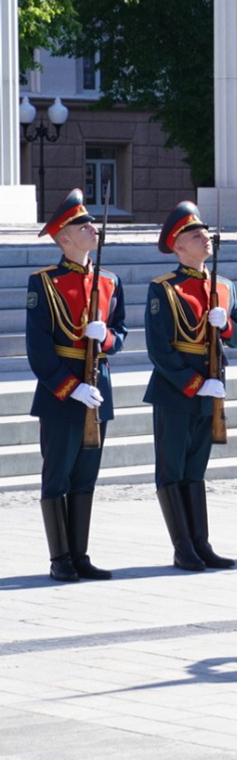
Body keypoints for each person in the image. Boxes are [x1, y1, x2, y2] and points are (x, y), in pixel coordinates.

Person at [26, 189, 126, 582]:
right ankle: (60, 558)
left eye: (92, 223)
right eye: (83, 226)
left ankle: (79, 554)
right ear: (64, 238)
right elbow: (39, 349)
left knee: (85, 476)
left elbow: (121, 334)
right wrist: (70, 388)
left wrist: (105, 338)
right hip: (62, 393)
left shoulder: (110, 281)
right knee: (58, 476)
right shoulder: (44, 283)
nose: (93, 229)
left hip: (98, 388)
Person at [145, 200, 237, 571]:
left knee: (195, 469)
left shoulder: (225, 286)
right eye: (196, 235)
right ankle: (183, 547)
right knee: (171, 470)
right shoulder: (164, 289)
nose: (205, 239)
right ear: (178, 245)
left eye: (205, 234)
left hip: (212, 389)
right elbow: (159, 348)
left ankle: (201, 543)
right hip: (176, 391)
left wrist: (226, 325)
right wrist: (194, 383)